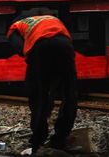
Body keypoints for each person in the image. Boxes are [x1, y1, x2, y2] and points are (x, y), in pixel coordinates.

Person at [7, 14, 77, 153]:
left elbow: (22, 50)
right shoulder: (52, 18)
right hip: (65, 45)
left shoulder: (14, 27)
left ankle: (39, 138)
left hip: (40, 47)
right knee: (69, 93)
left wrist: (36, 70)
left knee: (38, 94)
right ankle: (60, 138)